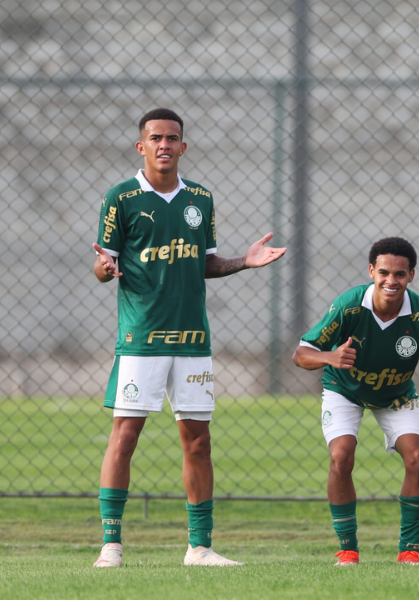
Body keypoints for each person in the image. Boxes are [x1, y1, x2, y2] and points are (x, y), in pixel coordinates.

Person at [91, 108, 286, 568]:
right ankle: (111, 546)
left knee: (198, 441)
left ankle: (199, 548)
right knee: (125, 436)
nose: (164, 145)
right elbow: (103, 266)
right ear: (141, 147)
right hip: (141, 338)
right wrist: (105, 268)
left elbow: (206, 263)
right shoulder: (120, 198)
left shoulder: (200, 198)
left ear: (183, 146)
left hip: (193, 340)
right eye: (155, 138)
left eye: (172, 138)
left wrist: (245, 261)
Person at [292, 237, 419, 566]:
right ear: (371, 271)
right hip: (345, 389)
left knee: (418, 457)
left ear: (411, 276)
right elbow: (300, 354)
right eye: (384, 272)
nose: (391, 281)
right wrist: (331, 356)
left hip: (396, 393)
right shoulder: (349, 306)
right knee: (341, 457)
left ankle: (410, 549)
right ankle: (348, 548)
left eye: (400, 274)